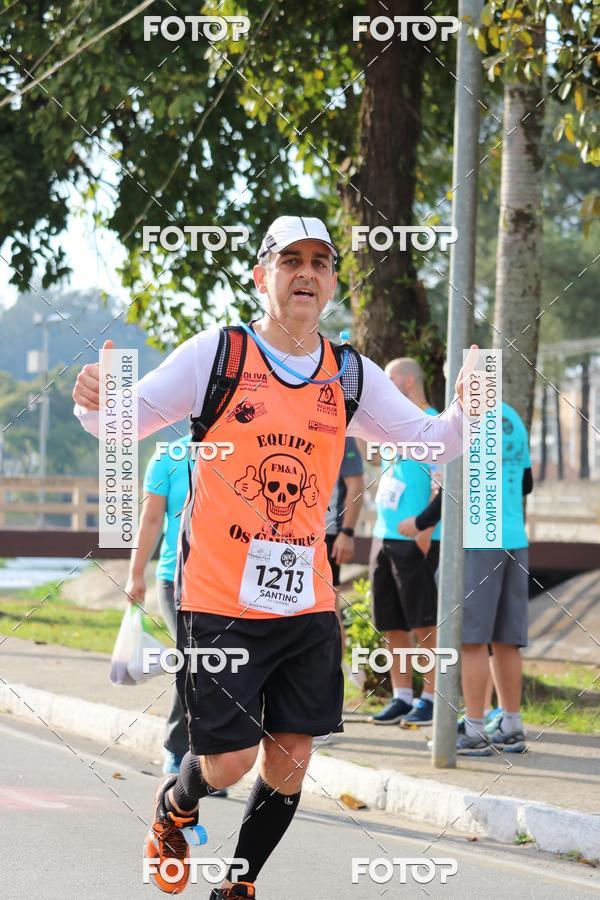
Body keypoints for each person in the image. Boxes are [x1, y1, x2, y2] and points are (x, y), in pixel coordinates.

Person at [73, 215, 475, 899]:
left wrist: (469, 404)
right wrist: (95, 402)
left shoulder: (349, 373)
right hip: (219, 599)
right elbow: (123, 421)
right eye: (291, 261)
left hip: (306, 599)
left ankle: (238, 885)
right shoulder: (219, 356)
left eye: (321, 262)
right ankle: (175, 805)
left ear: (333, 283)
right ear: (263, 276)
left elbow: (429, 440)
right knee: (228, 762)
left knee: (292, 757)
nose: (306, 274)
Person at [404, 402, 533, 755]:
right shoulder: (512, 418)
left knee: (472, 640)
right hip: (515, 537)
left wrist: (420, 523)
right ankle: (511, 723)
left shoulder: (465, 418)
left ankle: (474, 729)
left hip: (479, 539)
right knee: (507, 639)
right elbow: (526, 483)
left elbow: (452, 488)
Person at [125, 435, 227, 794]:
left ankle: (211, 763)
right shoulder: (168, 457)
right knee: (193, 660)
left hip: (225, 583)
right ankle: (177, 747)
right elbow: (152, 519)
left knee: (219, 666)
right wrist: (136, 573)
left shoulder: (241, 451)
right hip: (175, 578)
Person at [369, 358, 443, 727]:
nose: (384, 384)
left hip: (417, 540)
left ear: (409, 381)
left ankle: (431, 697)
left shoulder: (433, 424)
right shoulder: (392, 425)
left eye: (390, 378)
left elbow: (441, 484)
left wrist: (425, 533)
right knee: (391, 621)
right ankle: (402, 696)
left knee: (425, 623)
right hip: (384, 536)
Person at [324, 436, 364, 651]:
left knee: (330, 607)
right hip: (292, 533)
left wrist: (347, 532)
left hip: (328, 534)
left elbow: (355, 484)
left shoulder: (343, 435)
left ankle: (334, 667)